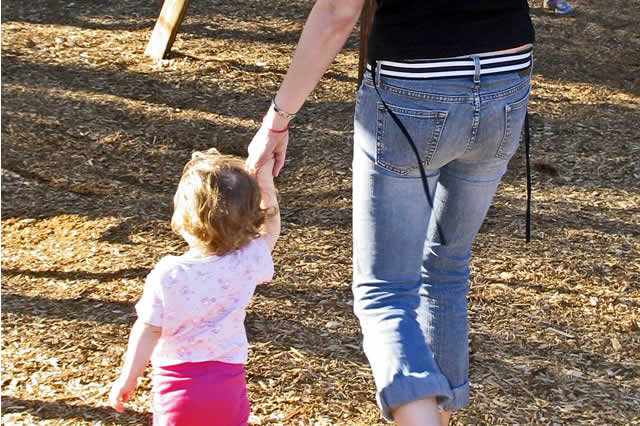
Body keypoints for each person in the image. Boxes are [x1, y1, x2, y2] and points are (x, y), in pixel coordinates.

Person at [246, 1, 535, 425]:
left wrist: (277, 121)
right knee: (447, 269)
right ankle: (436, 415)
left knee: (386, 293)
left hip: (414, 89)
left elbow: (336, 13)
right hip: (507, 81)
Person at [109, 148, 280, 425]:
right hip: (227, 389)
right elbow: (271, 229)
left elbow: (149, 328)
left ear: (184, 218)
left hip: (177, 390)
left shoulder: (168, 273)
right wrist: (266, 185)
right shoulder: (247, 262)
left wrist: (128, 378)